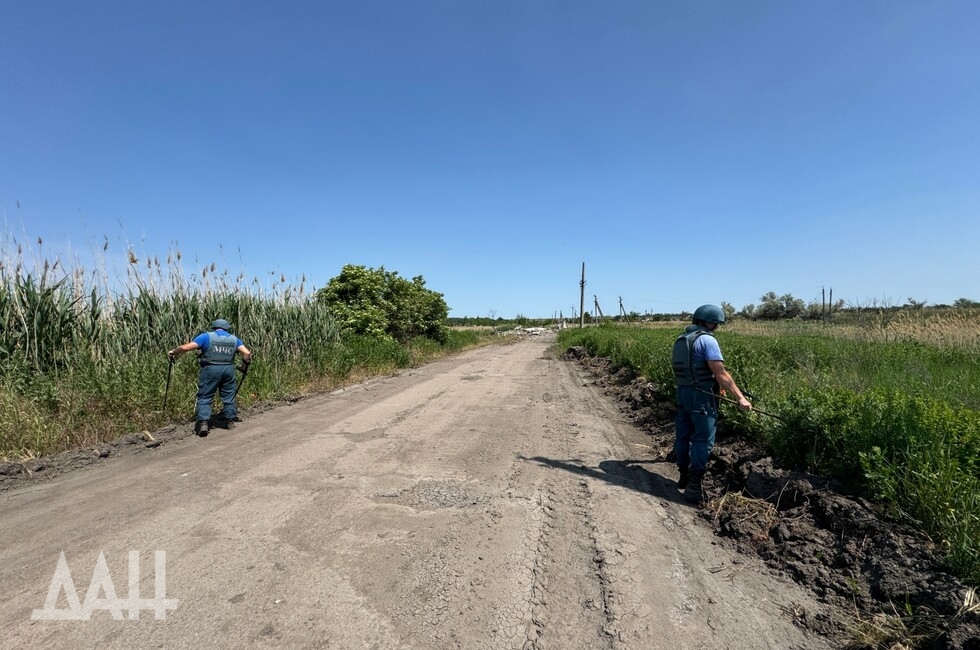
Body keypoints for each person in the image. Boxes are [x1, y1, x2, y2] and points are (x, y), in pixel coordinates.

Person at [671, 304, 751, 504]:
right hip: (702, 396)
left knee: (683, 436)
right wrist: (740, 397)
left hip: (683, 393)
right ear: (710, 322)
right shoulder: (707, 341)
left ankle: (683, 476)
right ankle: (694, 486)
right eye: (717, 324)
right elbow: (720, 373)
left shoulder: (681, 340)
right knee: (702, 439)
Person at [168, 319, 252, 437]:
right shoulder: (234, 339)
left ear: (214, 327)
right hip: (228, 369)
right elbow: (247, 353)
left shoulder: (206, 337)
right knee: (228, 395)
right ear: (227, 328)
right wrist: (243, 367)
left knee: (205, 395)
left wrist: (174, 352)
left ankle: (203, 422)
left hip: (210, 369)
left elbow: (187, 347)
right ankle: (230, 421)